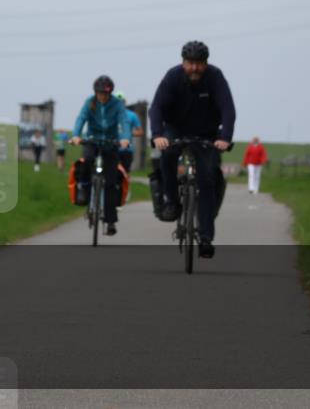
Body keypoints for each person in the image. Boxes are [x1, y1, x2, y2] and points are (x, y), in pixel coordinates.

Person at [148, 41, 235, 259]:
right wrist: (158, 134)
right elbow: (156, 107)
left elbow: (228, 110)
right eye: (190, 63)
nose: (194, 68)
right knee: (166, 155)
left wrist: (225, 138)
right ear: (183, 62)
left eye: (199, 63)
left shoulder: (215, 77)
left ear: (206, 63)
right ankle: (171, 201)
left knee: (206, 179)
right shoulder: (173, 77)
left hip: (206, 134)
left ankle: (205, 238)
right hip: (175, 129)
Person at [69, 76, 131, 235]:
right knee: (86, 161)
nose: (103, 96)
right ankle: (83, 188)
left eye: (105, 94)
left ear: (110, 93)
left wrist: (125, 138)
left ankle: (110, 221)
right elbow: (81, 118)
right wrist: (76, 135)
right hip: (92, 140)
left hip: (111, 143)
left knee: (110, 182)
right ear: (95, 92)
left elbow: (124, 121)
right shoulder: (90, 102)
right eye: (100, 93)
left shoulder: (117, 105)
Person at [114, 91, 143, 187]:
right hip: (113, 148)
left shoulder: (132, 115)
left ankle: (124, 192)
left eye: (121, 101)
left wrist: (128, 133)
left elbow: (140, 131)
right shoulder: (110, 115)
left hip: (127, 149)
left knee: (124, 173)